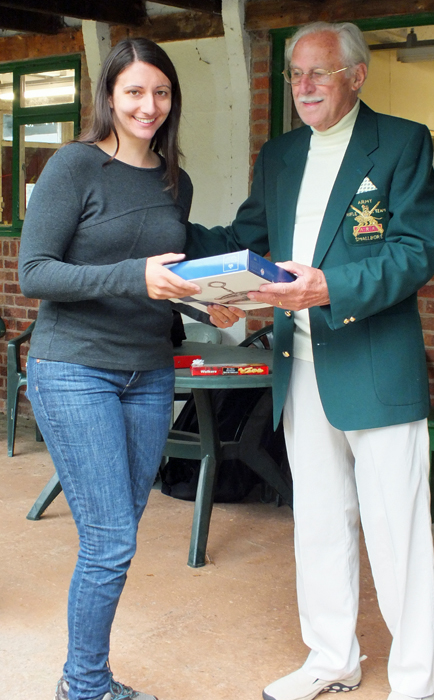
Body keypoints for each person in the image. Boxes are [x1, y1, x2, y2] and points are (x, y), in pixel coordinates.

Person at [185, 21, 434, 700]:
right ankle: (331, 659)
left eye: (317, 73)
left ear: (354, 76)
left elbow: (415, 252)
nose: (302, 87)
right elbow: (243, 240)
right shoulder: (279, 157)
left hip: (375, 366)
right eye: (295, 74)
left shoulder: (400, 144)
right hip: (298, 367)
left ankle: (415, 681)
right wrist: (191, 251)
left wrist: (328, 287)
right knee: (320, 525)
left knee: (397, 536)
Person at [18, 37, 226, 700]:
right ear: (109, 95)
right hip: (75, 366)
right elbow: (34, 272)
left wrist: (212, 303)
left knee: (119, 530)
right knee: (110, 540)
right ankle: (83, 686)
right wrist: (134, 275)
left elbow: (167, 277)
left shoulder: (175, 182)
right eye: (134, 91)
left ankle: (85, 680)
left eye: (160, 92)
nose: (148, 105)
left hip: (147, 372)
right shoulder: (72, 167)